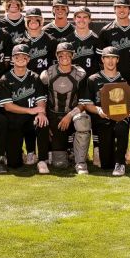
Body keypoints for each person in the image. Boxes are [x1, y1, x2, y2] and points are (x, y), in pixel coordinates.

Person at [98, 0, 130, 166]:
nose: (121, 10)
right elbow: (101, 60)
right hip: (113, 80)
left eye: (124, 7)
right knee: (114, 116)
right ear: (114, 9)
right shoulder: (106, 31)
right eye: (118, 7)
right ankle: (121, 152)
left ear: (129, 10)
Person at [80, 46, 130, 176]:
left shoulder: (124, 79)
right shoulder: (93, 79)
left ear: (118, 60)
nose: (110, 61)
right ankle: (116, 157)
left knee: (122, 126)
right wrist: (98, 110)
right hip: (102, 120)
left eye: (113, 58)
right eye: (107, 58)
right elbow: (87, 104)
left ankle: (120, 163)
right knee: (106, 165)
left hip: (120, 118)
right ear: (102, 59)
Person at [40, 42, 91, 174]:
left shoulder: (80, 74)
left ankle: (80, 163)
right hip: (55, 116)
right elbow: (42, 100)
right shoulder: (47, 74)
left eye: (68, 54)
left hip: (73, 115)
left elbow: (83, 103)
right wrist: (48, 125)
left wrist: (69, 116)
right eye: (61, 55)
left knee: (83, 120)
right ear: (57, 56)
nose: (65, 57)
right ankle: (67, 151)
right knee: (59, 164)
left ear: (73, 56)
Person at [0, 44, 48, 170]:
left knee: (43, 122)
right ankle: (18, 153)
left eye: (24, 56)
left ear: (29, 59)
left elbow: (41, 99)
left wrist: (41, 113)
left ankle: (41, 160)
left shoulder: (35, 77)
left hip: (31, 120)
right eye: (17, 56)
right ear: (12, 59)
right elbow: (8, 106)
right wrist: (30, 111)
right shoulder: (5, 79)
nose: (21, 59)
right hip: (14, 120)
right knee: (14, 164)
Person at [14, 7, 57, 76]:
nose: (33, 21)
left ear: (42, 21)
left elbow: (56, 65)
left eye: (37, 19)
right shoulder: (18, 42)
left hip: (45, 80)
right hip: (25, 81)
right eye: (30, 19)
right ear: (25, 22)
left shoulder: (51, 41)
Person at [64, 6, 102, 79]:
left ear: (89, 20)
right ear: (74, 19)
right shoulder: (67, 40)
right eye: (79, 17)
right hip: (72, 81)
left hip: (91, 82)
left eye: (85, 17)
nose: (81, 20)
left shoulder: (97, 40)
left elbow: (102, 64)